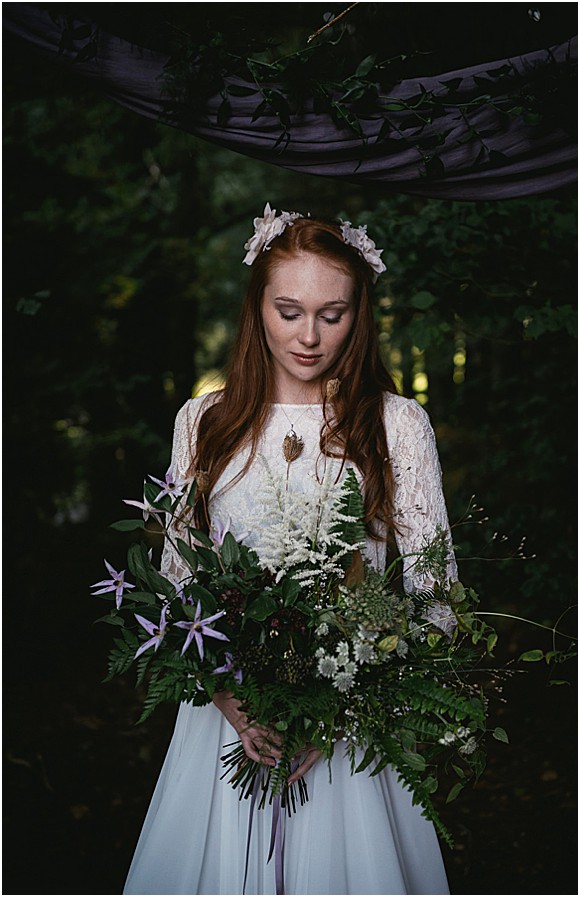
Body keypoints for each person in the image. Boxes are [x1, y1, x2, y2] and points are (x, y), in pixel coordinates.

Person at [124, 204, 455, 895]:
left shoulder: (396, 424)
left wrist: (333, 711)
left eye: (332, 314)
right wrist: (233, 704)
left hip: (350, 727)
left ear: (359, 314)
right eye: (289, 310)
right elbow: (180, 588)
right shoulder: (204, 421)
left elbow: (436, 598)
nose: (309, 336)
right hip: (227, 724)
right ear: (257, 307)